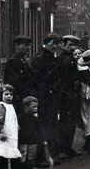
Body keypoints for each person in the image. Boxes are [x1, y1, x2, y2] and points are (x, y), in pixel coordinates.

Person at [30, 33, 62, 165]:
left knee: (52, 125)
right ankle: (41, 157)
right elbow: (37, 80)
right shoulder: (40, 59)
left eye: (57, 43)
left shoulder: (52, 57)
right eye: (52, 43)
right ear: (46, 43)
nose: (55, 46)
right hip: (44, 98)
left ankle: (49, 156)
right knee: (44, 126)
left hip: (52, 97)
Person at [17, 96, 54, 169]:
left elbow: (41, 130)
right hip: (22, 142)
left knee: (30, 160)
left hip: (33, 142)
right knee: (22, 160)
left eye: (36, 107)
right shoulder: (20, 118)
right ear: (26, 106)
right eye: (33, 107)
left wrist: (44, 140)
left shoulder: (35, 119)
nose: (36, 108)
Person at [3, 35, 34, 115]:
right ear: (17, 46)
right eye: (25, 45)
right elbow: (14, 82)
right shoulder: (13, 62)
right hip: (19, 99)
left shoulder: (24, 60)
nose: (28, 48)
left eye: (29, 46)